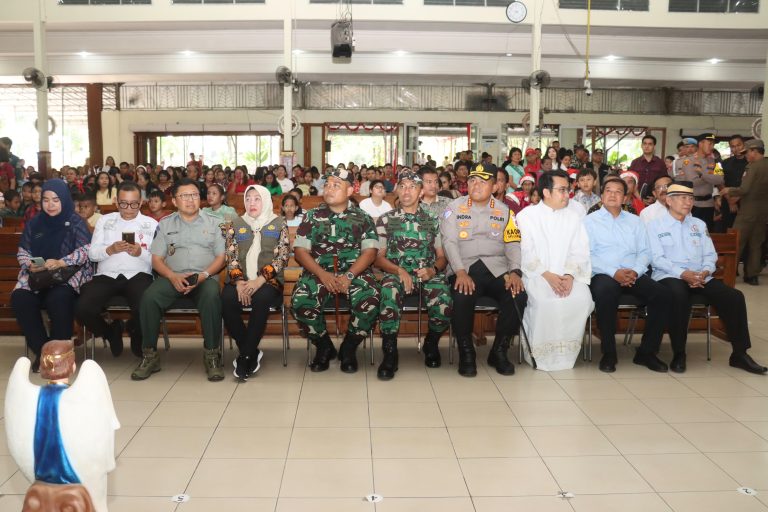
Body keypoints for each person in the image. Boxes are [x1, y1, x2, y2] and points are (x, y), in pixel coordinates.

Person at [647, 181, 767, 374]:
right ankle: (679, 353)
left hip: (699, 276)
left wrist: (705, 271)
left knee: (734, 297)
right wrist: (683, 274)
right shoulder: (655, 226)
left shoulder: (699, 224)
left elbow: (710, 255)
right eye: (682, 198)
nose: (688, 202)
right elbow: (656, 258)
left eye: (691, 198)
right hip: (669, 275)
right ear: (669, 201)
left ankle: (740, 354)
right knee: (678, 295)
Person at [5, 339, 119, 512]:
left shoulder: (32, 398)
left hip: (41, 479)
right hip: (76, 484)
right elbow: (102, 434)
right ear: (71, 366)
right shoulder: (83, 395)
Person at [131, 178, 226, 381]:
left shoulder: (215, 223)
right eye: (184, 196)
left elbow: (222, 257)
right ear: (174, 201)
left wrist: (204, 275)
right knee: (149, 297)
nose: (190, 200)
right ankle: (150, 355)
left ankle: (212, 355)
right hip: (172, 276)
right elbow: (156, 259)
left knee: (211, 295)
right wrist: (172, 276)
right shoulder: (165, 224)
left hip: (204, 276)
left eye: (194, 195)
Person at [291, 168, 380, 373]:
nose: (329, 189)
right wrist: (323, 274)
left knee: (371, 298)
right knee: (301, 300)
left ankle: (349, 347)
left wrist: (349, 276)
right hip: (318, 272)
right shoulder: (312, 216)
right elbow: (300, 251)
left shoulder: (362, 217)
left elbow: (370, 252)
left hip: (355, 272)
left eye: (336, 185)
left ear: (349, 191)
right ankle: (324, 347)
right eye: (327, 184)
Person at [441, 163, 526, 377]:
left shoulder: (505, 210)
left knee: (517, 294)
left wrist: (515, 272)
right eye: (472, 180)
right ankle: (466, 352)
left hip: (497, 269)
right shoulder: (453, 208)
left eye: (482, 181)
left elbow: (513, 243)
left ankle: (499, 351)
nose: (476, 185)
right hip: (465, 267)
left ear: (495, 186)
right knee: (462, 294)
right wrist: (459, 271)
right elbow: (449, 242)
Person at [584, 179, 669, 373]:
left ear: (625, 197)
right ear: (602, 195)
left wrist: (636, 271)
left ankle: (647, 352)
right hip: (603, 273)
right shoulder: (588, 221)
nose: (612, 195)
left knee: (662, 295)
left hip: (633, 272)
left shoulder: (635, 221)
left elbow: (645, 251)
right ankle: (609, 353)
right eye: (608, 191)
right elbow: (586, 255)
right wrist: (614, 272)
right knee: (605, 293)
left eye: (618, 192)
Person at [374, 171, 452, 380]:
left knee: (444, 300)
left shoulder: (432, 220)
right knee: (388, 292)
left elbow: (442, 256)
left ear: (420, 192)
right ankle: (390, 353)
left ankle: (432, 342)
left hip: (427, 273)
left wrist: (433, 270)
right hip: (395, 273)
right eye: (403, 186)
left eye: (412, 187)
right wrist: (399, 271)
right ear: (397, 190)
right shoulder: (386, 220)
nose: (407, 191)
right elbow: (378, 258)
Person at [11, 179, 93, 372]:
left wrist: (61, 262)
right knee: (20, 298)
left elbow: (86, 250)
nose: (50, 205)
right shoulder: (35, 223)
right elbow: (23, 250)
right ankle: (42, 352)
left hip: (66, 274)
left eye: (56, 200)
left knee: (59, 298)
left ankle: (59, 355)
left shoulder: (75, 222)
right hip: (38, 275)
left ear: (64, 200)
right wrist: (29, 264)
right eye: (46, 200)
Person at [516, 170, 594, 371]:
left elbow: (581, 250)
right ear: (546, 192)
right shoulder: (527, 216)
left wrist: (569, 275)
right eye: (561, 190)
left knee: (581, 299)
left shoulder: (574, 217)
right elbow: (525, 251)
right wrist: (548, 276)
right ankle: (540, 355)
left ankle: (566, 356)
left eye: (567, 189)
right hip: (538, 275)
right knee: (544, 301)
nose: (567, 193)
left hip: (569, 276)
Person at [75, 182, 157, 358]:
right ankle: (110, 331)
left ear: (141, 202)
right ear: (116, 201)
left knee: (145, 304)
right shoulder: (105, 221)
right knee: (83, 308)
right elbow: (92, 254)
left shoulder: (151, 224)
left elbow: (158, 260)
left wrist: (140, 253)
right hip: (107, 275)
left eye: (134, 203)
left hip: (139, 274)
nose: (129, 208)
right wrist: (109, 250)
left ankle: (135, 331)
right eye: (123, 203)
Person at [221, 185, 290, 380]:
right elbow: (231, 255)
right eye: (248, 199)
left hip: (269, 282)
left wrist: (259, 280)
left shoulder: (278, 223)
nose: (252, 203)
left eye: (257, 199)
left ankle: (246, 356)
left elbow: (282, 257)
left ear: (266, 201)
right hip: (239, 281)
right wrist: (240, 282)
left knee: (261, 299)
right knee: (226, 299)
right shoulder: (236, 223)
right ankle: (250, 350)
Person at [721, 139, 768, 286]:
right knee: (756, 244)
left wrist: (729, 190)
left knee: (736, 242)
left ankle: (728, 273)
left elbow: (744, 189)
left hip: (747, 211)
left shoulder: (752, 167)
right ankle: (752, 276)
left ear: (754, 151)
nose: (746, 155)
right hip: (763, 212)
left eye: (747, 152)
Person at [674, 133, 724, 229]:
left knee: (707, 232)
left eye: (713, 144)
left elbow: (720, 179)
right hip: (693, 205)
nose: (712, 147)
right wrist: (711, 177)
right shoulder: (688, 161)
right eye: (709, 144)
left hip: (709, 204)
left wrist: (702, 175)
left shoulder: (714, 161)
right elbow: (692, 182)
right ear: (701, 144)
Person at [720, 135, 747, 230]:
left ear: (744, 145)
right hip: (728, 202)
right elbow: (718, 182)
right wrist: (730, 201)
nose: (736, 148)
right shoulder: (723, 163)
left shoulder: (752, 163)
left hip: (747, 202)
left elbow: (754, 184)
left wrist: (738, 198)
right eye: (733, 146)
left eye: (738, 145)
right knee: (728, 229)